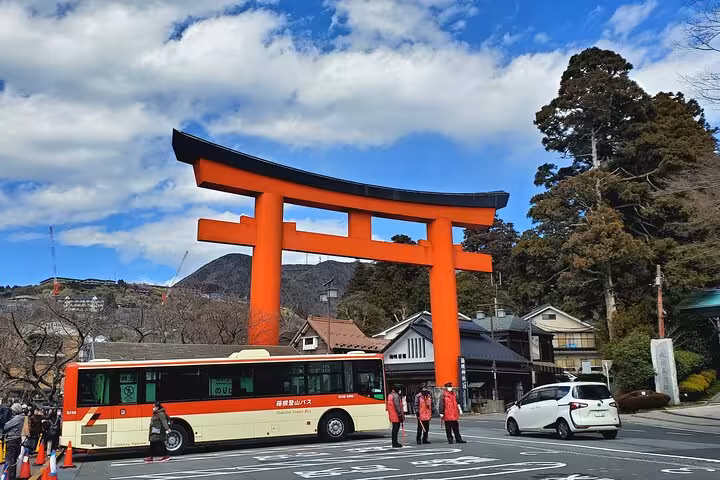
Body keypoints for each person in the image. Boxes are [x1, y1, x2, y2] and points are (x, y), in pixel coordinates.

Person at [2, 403, 25, 480]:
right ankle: (12, 476)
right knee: (13, 459)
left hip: (12, 440)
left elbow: (5, 426)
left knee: (10, 460)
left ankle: (10, 476)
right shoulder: (21, 417)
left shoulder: (17, 419)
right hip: (17, 439)